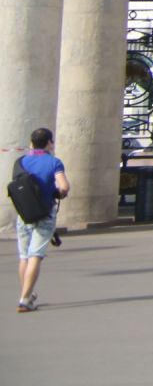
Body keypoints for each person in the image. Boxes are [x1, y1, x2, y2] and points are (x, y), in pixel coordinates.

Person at [13, 127, 68, 313]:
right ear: (49, 143)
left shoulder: (21, 161)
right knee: (36, 255)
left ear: (31, 143)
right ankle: (24, 299)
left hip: (24, 214)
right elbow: (64, 186)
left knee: (24, 256)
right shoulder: (54, 162)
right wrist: (59, 193)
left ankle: (27, 293)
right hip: (44, 214)